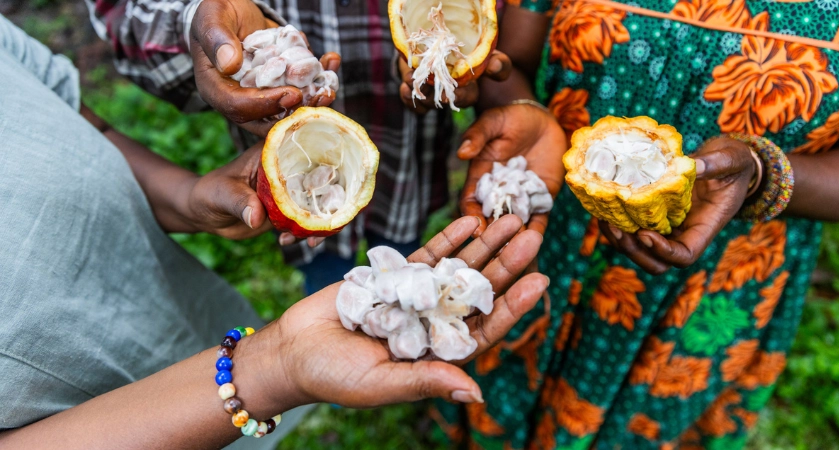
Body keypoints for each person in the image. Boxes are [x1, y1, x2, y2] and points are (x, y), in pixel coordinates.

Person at [0, 14, 550, 449]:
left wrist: (186, 198)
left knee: (377, 268)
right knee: (335, 275)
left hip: (165, 299)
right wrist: (274, 370)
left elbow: (63, 109)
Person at [433, 1, 839, 449]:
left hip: (721, 272)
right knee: (507, 373)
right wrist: (519, 105)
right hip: (552, 224)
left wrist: (761, 174)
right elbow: (512, 62)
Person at [85, 0, 513, 295]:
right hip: (291, 186)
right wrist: (193, 18)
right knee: (327, 282)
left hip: (406, 165)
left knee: (401, 253)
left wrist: (445, 63)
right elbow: (118, 12)